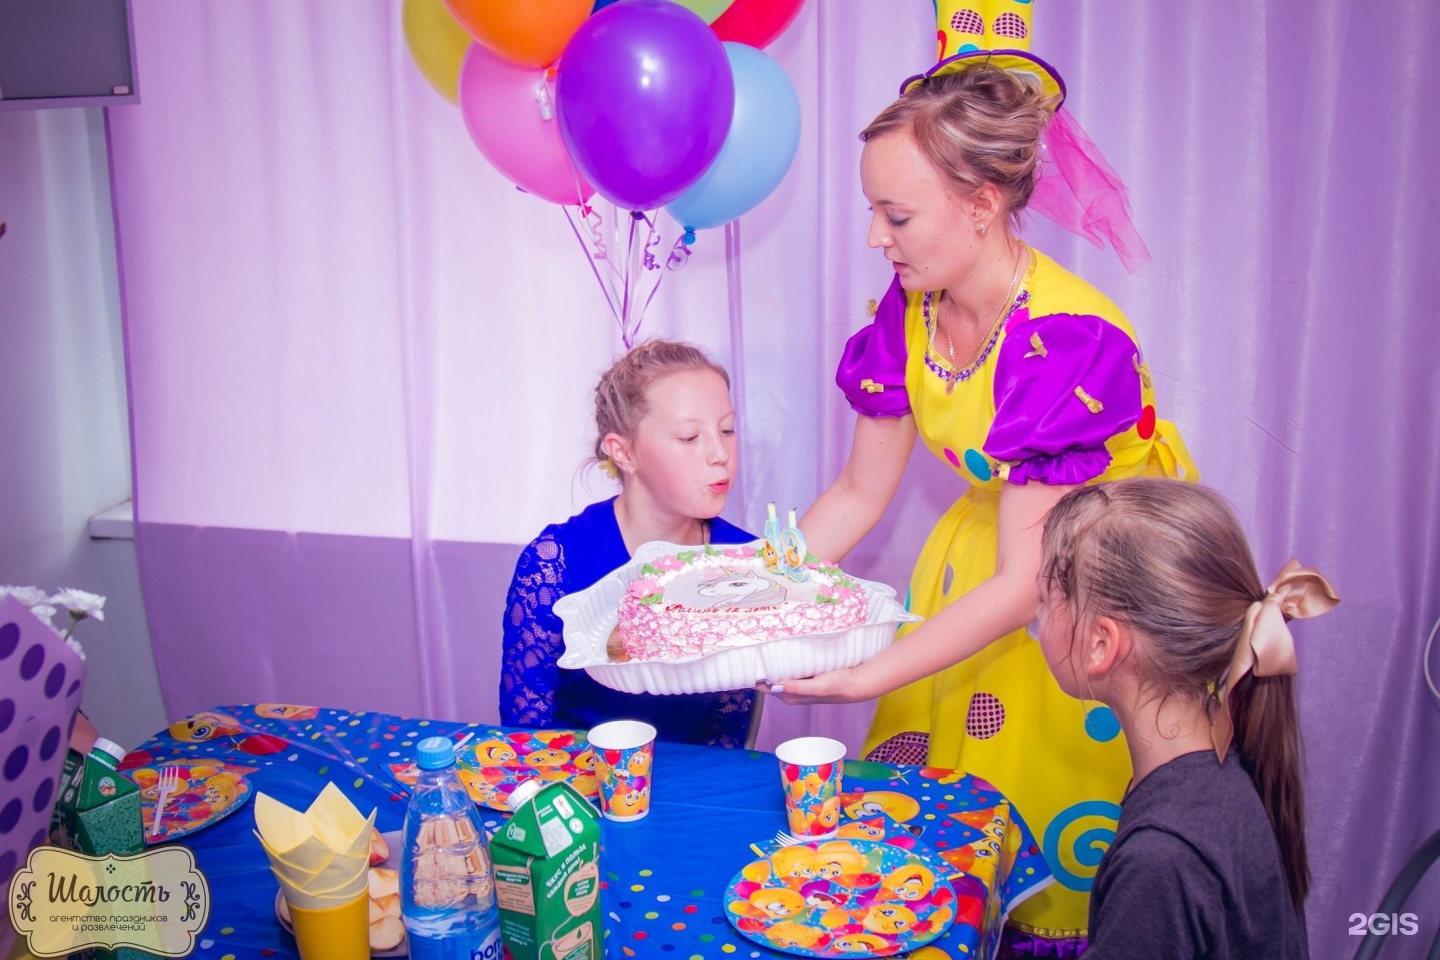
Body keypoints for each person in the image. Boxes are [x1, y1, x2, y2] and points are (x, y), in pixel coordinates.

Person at [765, 53, 1197, 948]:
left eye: (897, 215)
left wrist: (864, 676)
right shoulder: (912, 305)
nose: (878, 238)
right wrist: (751, 592)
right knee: (937, 815)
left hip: (1097, 588)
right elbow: (857, 491)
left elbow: (1027, 582)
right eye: (872, 213)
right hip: (996, 554)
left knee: (1034, 812)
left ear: (982, 202)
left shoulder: (1067, 339)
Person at [1035, 478, 1335, 958]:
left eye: (1045, 602)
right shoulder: (1228, 757)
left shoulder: (1160, 860)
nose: (1037, 618)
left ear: (1100, 645)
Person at [500, 339, 756, 747]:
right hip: (574, 786)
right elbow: (526, 729)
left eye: (727, 429)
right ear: (623, 452)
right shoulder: (556, 561)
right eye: (690, 437)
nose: (720, 453)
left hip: (693, 789)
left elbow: (728, 728)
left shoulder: (746, 562)